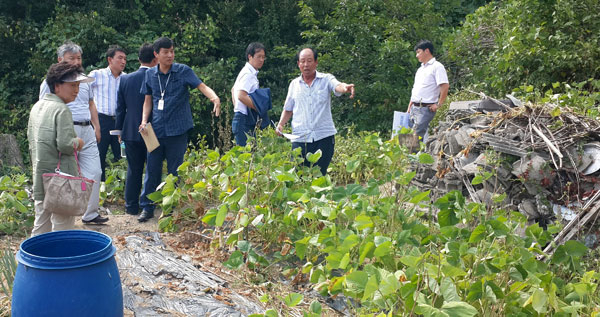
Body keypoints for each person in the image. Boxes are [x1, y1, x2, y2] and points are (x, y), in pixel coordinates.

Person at [137, 37, 221, 222]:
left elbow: (201, 86)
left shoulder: (183, 71)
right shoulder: (150, 75)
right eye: (165, 52)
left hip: (178, 130)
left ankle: (171, 209)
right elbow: (147, 100)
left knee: (175, 171)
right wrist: (144, 121)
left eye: (172, 51)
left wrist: (214, 98)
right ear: (156, 54)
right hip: (155, 130)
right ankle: (147, 207)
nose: (170, 55)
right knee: (152, 169)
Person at [39, 42, 108, 224]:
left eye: (79, 58)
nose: (76, 62)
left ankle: (89, 213)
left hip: (87, 129)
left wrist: (96, 126)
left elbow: (91, 103)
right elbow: (43, 108)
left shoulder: (84, 81)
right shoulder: (51, 83)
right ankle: (61, 211)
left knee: (95, 172)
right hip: (65, 129)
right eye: (72, 58)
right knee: (64, 175)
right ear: (60, 60)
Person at [29, 62, 92, 236]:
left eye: (78, 86)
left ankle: (31, 262)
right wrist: (78, 142)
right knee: (62, 227)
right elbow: (65, 145)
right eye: (72, 85)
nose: (77, 90)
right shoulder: (62, 110)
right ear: (57, 86)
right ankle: (60, 262)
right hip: (61, 181)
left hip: (41, 176)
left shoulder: (37, 107)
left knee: (40, 226)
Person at [276, 47, 355, 175]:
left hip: (323, 138)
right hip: (300, 138)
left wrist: (345, 87)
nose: (306, 65)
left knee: (320, 177)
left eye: (309, 61)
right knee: (298, 176)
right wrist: (280, 124)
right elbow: (288, 109)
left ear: (316, 62)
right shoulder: (294, 85)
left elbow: (337, 85)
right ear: (298, 64)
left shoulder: (326, 79)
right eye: (302, 61)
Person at [115, 44, 157, 215]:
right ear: (155, 59)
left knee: (134, 169)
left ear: (139, 59)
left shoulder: (125, 79)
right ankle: (149, 204)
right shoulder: (157, 77)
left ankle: (131, 207)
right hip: (152, 129)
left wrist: (119, 130)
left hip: (131, 129)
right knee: (152, 169)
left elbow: (120, 108)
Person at [89, 45, 127, 181]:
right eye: (120, 58)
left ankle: (118, 186)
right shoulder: (96, 75)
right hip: (101, 120)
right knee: (99, 154)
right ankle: (99, 187)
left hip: (119, 120)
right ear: (110, 59)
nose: (123, 62)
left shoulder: (126, 78)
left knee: (121, 155)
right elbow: (82, 93)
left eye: (125, 59)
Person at [407, 40, 449, 141]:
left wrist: (438, 104)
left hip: (425, 108)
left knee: (416, 135)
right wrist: (409, 107)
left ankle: (410, 156)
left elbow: (445, 86)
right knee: (409, 134)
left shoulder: (437, 67)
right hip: (414, 107)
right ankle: (411, 155)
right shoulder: (420, 69)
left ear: (427, 51)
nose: (417, 55)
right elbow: (416, 89)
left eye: (418, 52)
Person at [231, 42, 266, 146]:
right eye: (258, 56)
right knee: (247, 157)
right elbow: (241, 95)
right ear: (250, 56)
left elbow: (233, 90)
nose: (261, 60)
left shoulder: (247, 72)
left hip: (241, 117)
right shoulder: (248, 74)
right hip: (243, 119)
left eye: (263, 57)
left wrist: (237, 107)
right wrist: (257, 107)